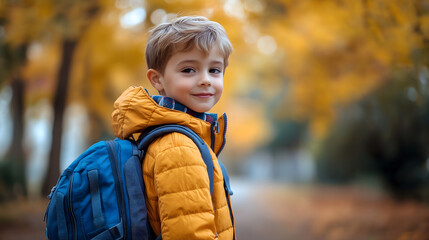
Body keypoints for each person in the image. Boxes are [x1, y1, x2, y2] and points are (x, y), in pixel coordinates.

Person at [111, 16, 235, 240]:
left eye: (214, 70)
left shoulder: (180, 135)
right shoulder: (178, 146)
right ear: (157, 79)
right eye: (189, 70)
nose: (205, 80)